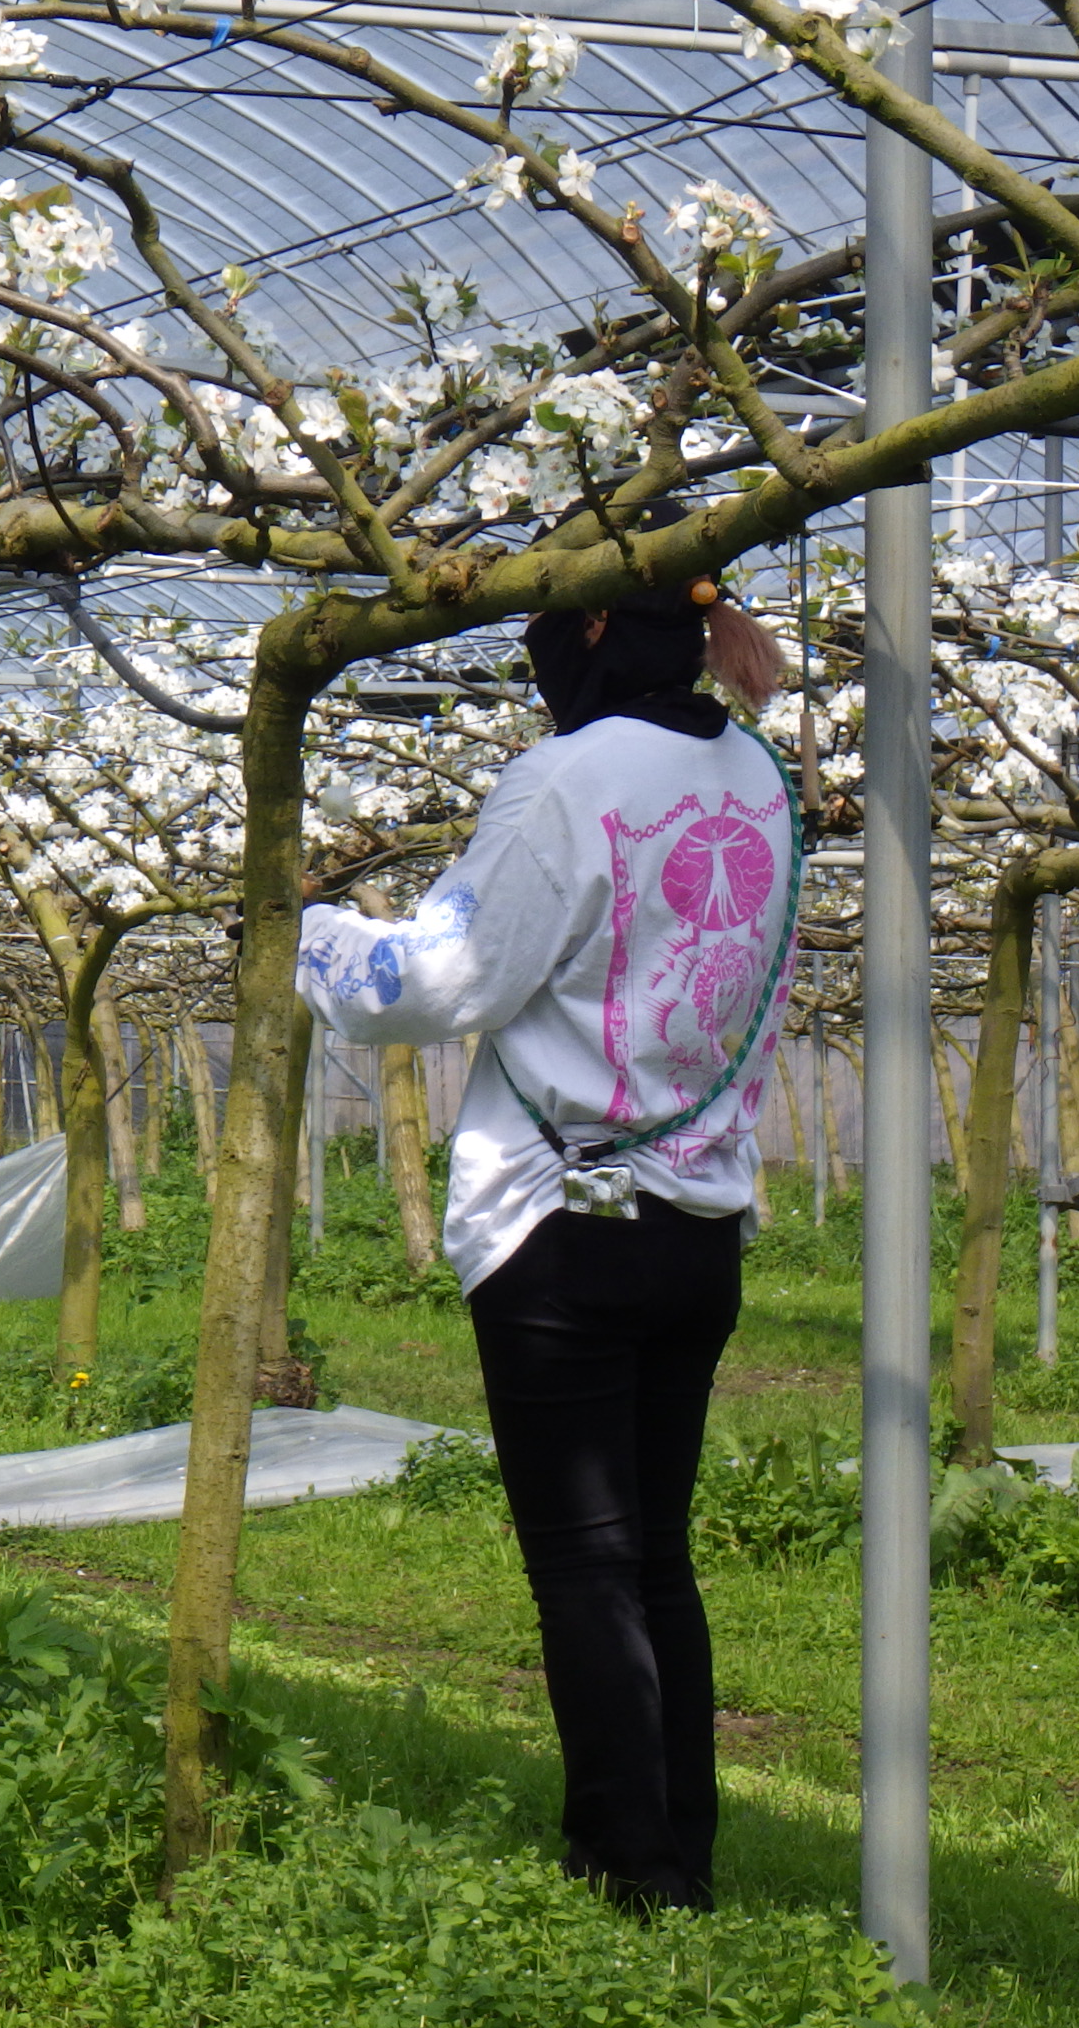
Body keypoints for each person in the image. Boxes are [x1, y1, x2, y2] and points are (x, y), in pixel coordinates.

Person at [292, 558, 795, 1914]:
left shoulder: (569, 779)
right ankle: (676, 1846)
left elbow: (442, 981)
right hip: (699, 1220)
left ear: (582, 632)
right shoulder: (759, 784)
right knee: (656, 1559)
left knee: (584, 1562)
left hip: (564, 1227)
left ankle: (630, 1870)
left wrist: (312, 928)